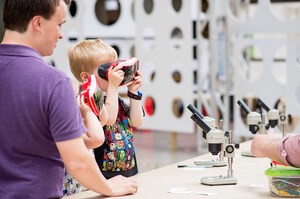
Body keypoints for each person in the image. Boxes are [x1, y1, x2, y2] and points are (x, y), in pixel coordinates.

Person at [0, 0, 137, 198]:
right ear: (37, 23)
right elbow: (78, 160)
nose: (61, 34)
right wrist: (109, 188)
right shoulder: (53, 82)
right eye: (59, 24)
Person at [68, 39, 144, 179]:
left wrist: (133, 93)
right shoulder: (85, 102)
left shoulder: (113, 97)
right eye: (107, 69)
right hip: (102, 175)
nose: (114, 73)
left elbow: (137, 122)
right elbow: (108, 119)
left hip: (128, 169)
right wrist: (113, 86)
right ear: (86, 77)